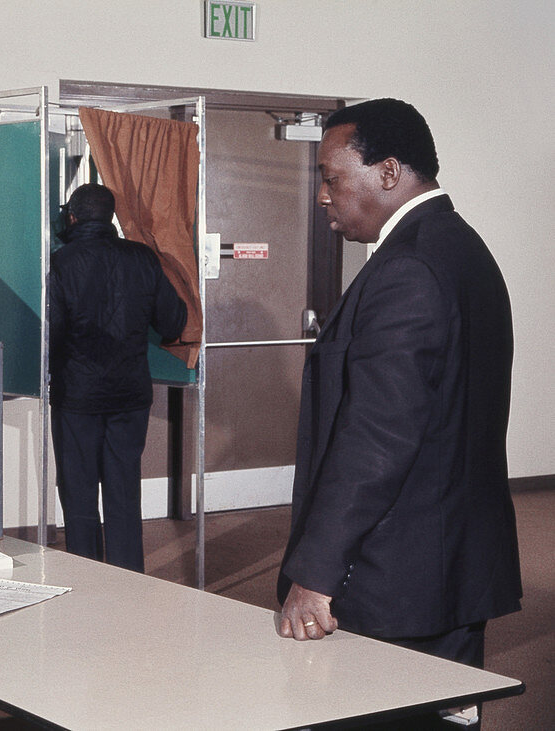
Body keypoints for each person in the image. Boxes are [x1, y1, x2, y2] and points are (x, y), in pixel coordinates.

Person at [277, 99, 522, 674]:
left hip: (399, 574)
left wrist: (314, 574)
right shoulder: (462, 248)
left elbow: (377, 440)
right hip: (451, 559)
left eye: (331, 177)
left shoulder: (408, 269)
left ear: (388, 172)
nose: (323, 195)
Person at [48, 183, 187, 572]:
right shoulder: (142, 258)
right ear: (110, 217)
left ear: (72, 217)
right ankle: (129, 579)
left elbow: (53, 335)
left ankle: (88, 578)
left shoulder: (62, 263)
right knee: (124, 490)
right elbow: (173, 321)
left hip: (77, 396)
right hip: (130, 394)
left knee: (78, 493)